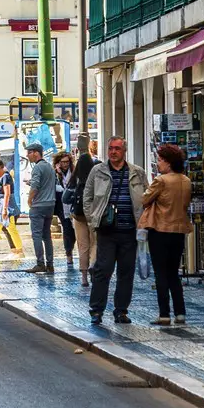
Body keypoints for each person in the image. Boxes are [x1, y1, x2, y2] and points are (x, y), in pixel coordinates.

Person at [80, 137, 150, 327]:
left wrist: (142, 223)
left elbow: (147, 199)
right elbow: (87, 197)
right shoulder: (98, 171)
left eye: (117, 148)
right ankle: (96, 310)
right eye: (110, 148)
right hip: (107, 231)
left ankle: (121, 311)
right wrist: (92, 218)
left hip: (130, 231)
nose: (113, 152)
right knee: (103, 271)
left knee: (126, 273)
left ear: (124, 150)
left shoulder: (137, 173)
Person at [141, 143, 193, 325]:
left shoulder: (161, 180)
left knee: (161, 273)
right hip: (179, 231)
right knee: (173, 272)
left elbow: (145, 199)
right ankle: (180, 313)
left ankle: (164, 314)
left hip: (160, 230)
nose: (158, 163)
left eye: (161, 160)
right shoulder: (186, 181)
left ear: (169, 163)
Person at [22, 144, 58, 274]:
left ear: (36, 153)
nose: (27, 155)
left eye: (29, 153)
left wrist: (29, 200)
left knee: (36, 235)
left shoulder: (37, 167)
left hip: (39, 205)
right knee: (47, 236)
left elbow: (36, 186)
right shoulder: (49, 167)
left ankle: (40, 263)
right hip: (50, 205)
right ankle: (50, 264)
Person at [67, 146, 96, 274]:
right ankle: (93, 268)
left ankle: (84, 276)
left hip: (78, 216)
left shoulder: (74, 178)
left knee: (82, 245)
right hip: (94, 215)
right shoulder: (96, 177)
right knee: (94, 243)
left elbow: (64, 198)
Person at [52, 152, 78, 275]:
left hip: (73, 205)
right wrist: (57, 174)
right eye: (62, 162)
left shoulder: (74, 172)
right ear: (58, 163)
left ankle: (73, 251)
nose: (65, 164)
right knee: (67, 231)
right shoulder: (56, 174)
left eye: (67, 162)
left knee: (74, 231)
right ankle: (69, 255)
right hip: (62, 207)